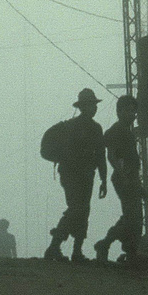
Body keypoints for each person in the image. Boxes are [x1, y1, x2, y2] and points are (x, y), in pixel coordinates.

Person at [45, 88, 107, 261]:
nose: (94, 108)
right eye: (90, 105)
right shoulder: (74, 127)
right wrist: (102, 178)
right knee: (77, 209)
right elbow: (98, 155)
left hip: (86, 175)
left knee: (82, 211)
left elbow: (100, 155)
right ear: (82, 107)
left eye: (94, 105)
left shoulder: (95, 128)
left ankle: (75, 250)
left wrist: (103, 179)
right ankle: (56, 246)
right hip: (73, 175)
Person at [93, 94, 143, 262]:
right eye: (128, 111)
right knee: (132, 216)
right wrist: (124, 175)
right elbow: (112, 156)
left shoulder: (126, 132)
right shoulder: (116, 131)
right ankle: (107, 244)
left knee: (133, 216)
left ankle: (129, 250)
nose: (132, 115)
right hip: (125, 177)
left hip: (130, 176)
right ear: (119, 112)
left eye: (134, 111)